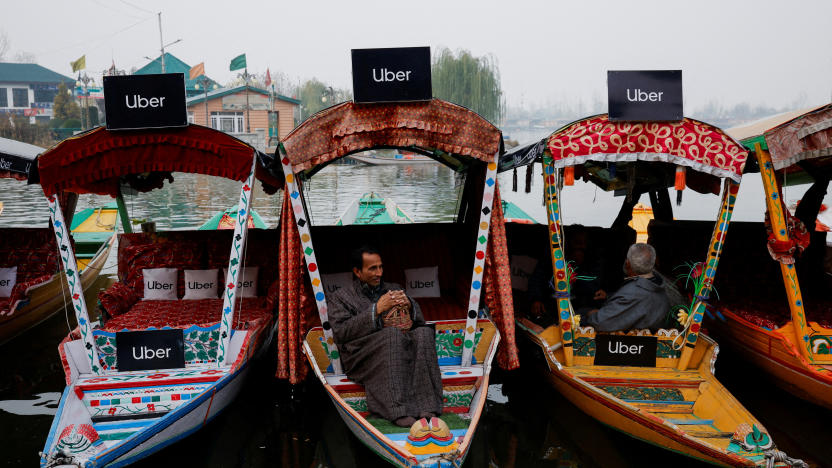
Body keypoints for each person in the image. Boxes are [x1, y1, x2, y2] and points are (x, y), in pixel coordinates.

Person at [328, 246, 443, 428]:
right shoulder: (340, 297)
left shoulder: (394, 288)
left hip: (399, 343)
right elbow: (341, 333)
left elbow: (418, 321)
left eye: (380, 267)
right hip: (359, 355)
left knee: (424, 333)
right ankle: (397, 410)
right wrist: (376, 309)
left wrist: (411, 305)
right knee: (392, 335)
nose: (379, 273)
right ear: (357, 272)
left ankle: (427, 406)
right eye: (372, 268)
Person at [582, 243, 669, 332]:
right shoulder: (657, 283)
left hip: (629, 344)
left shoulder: (633, 292)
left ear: (627, 263)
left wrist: (591, 314)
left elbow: (600, 323)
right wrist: (609, 297)